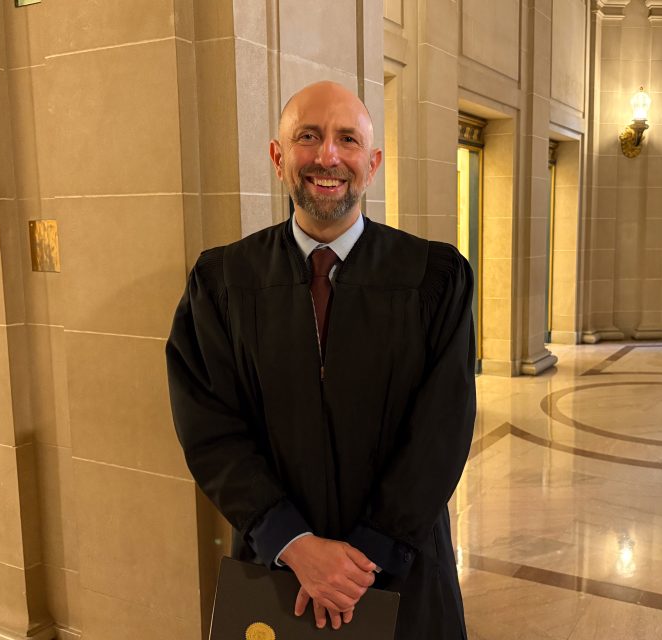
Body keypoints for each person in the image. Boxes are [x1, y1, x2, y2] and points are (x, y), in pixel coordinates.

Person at [166, 80, 476, 640]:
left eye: (347, 139)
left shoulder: (434, 277)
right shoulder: (223, 281)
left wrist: (366, 557)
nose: (327, 156)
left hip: (401, 568)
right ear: (278, 156)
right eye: (307, 137)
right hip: (281, 568)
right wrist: (292, 541)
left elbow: (443, 427)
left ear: (372, 162)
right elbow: (208, 425)